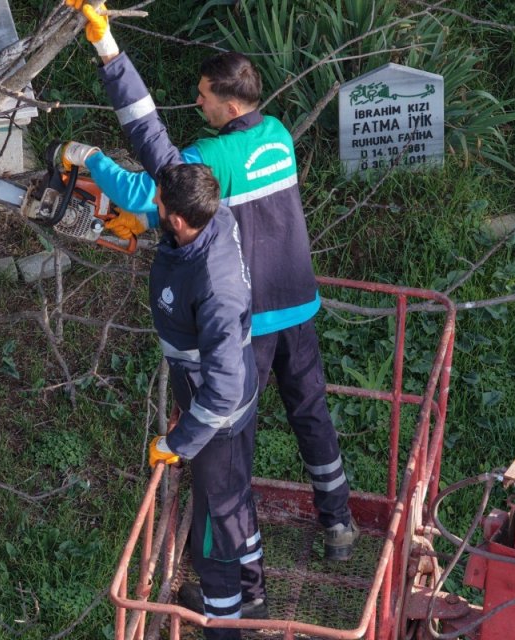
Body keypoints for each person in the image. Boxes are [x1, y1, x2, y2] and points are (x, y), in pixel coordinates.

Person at [60, 0, 359, 561]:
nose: (196, 101)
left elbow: (143, 173)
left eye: (202, 94)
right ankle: (338, 522)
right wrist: (152, 219)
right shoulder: (276, 135)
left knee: (229, 439)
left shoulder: (210, 158)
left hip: (250, 320)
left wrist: (90, 156)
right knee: (311, 413)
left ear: (227, 101)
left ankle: (236, 557)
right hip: (299, 305)